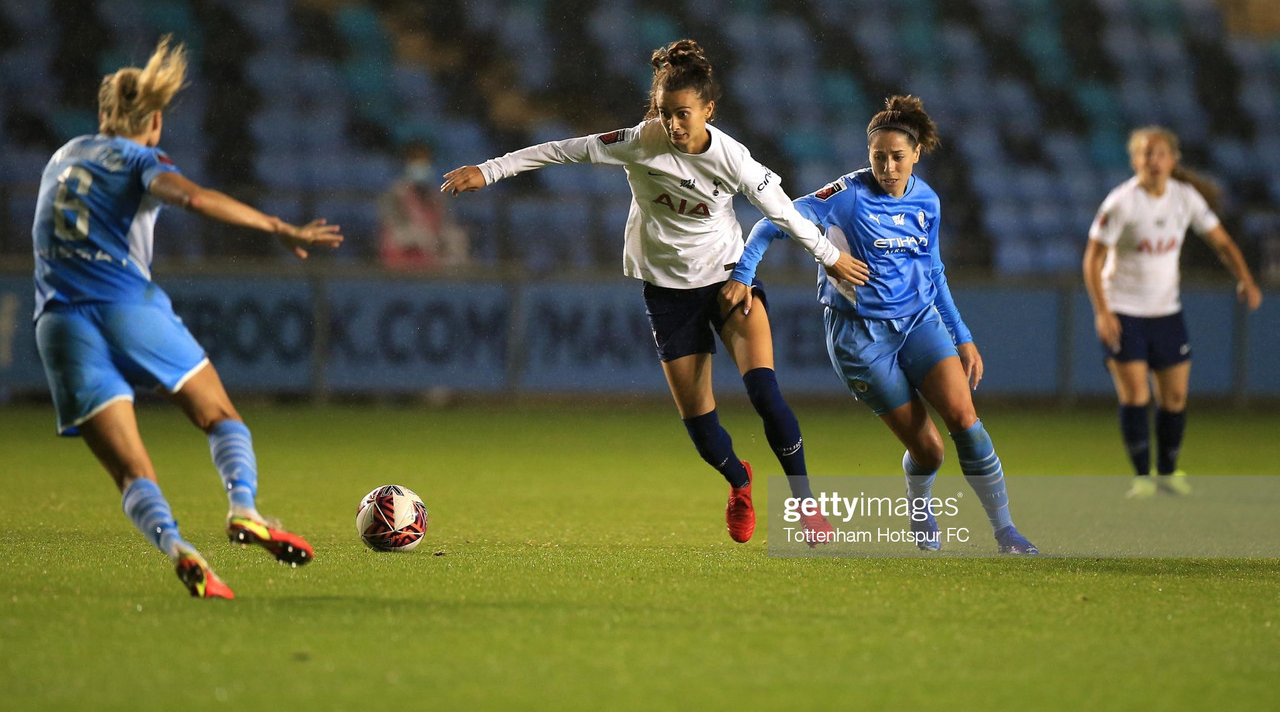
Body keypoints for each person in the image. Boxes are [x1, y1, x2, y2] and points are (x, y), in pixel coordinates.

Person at [442, 39, 869, 543]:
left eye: (684, 113)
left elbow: (783, 214)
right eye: (666, 113)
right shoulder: (639, 141)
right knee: (702, 429)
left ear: (709, 109)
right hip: (668, 293)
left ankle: (805, 506)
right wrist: (489, 171)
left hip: (729, 280)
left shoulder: (734, 160)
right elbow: (561, 149)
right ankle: (739, 481)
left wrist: (831, 257)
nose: (673, 124)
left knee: (765, 392)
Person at [31, 37, 343, 599]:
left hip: (59, 325)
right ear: (153, 120)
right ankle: (243, 508)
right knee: (220, 415)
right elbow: (192, 198)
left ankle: (179, 548)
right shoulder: (140, 158)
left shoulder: (64, 156)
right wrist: (277, 227)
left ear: (103, 115)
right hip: (126, 305)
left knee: (131, 471)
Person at [728, 95, 1039, 554]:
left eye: (897, 157)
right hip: (860, 339)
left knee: (965, 420)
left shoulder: (927, 201)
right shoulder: (845, 196)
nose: (888, 167)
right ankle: (919, 504)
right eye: (879, 157)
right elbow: (774, 222)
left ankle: (1005, 531)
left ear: (916, 154)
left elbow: (934, 273)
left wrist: (964, 337)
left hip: (919, 323)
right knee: (929, 450)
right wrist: (743, 273)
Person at [1083, 126, 1262, 498]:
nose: (1154, 160)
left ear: (1173, 160)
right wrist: (1102, 311)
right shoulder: (1121, 203)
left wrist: (1245, 278)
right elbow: (1093, 259)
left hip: (1166, 313)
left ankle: (1167, 474)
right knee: (1136, 396)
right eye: (1146, 154)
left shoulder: (1185, 198)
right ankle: (1142, 478)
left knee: (1175, 398)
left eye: (1161, 153)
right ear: (1135, 161)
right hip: (1124, 311)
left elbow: (1223, 242)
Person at [378, 140, 468, 270]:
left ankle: (453, 280)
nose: (421, 165)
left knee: (456, 237)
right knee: (416, 237)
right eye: (416, 161)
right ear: (406, 163)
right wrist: (421, 235)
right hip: (404, 239)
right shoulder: (395, 193)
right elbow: (391, 222)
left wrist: (439, 236)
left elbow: (446, 221)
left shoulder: (437, 193)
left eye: (425, 161)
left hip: (433, 241)